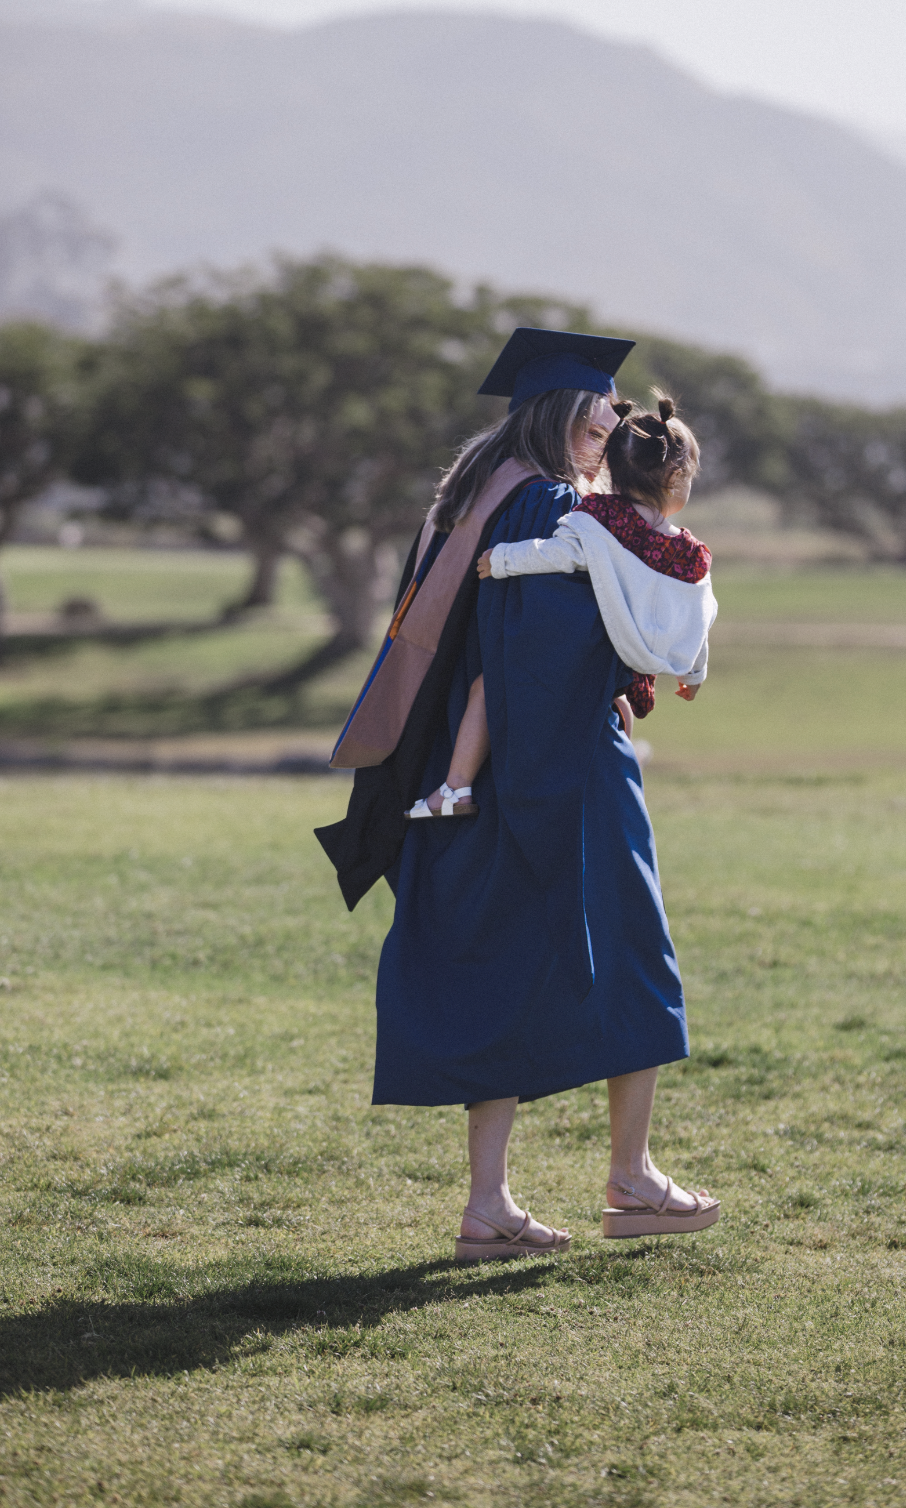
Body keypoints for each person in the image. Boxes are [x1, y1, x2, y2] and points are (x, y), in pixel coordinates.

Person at [315, 327, 720, 1263]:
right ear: (567, 418)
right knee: (632, 953)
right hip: (554, 765)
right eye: (601, 415)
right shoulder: (544, 505)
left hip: (464, 772)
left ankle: (489, 1202)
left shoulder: (470, 494)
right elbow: (542, 647)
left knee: (494, 966)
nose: (612, 429)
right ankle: (633, 1179)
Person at [409, 395, 715, 819]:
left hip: (585, 664)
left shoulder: (596, 520)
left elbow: (555, 554)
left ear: (612, 467)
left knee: (486, 688)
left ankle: (455, 788)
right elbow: (701, 613)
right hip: (642, 665)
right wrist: (693, 672)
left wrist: (500, 559)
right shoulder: (692, 554)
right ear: (677, 475)